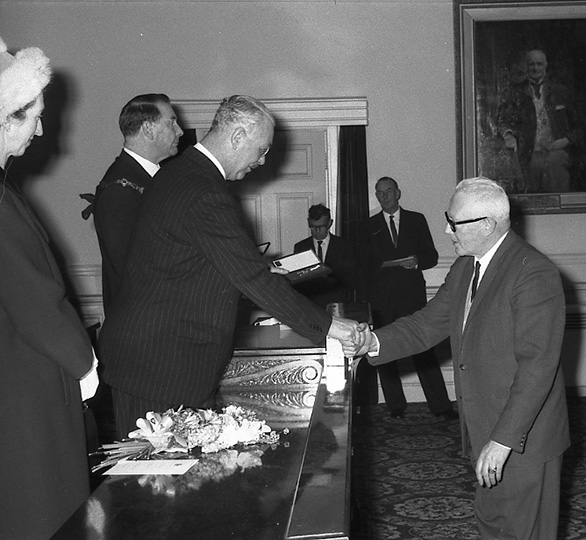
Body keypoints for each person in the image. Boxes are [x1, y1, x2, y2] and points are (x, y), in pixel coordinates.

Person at [98, 95, 363, 436]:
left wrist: (259, 272)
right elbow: (251, 278)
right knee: (159, 467)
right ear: (237, 137)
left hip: (161, 359)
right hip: (159, 364)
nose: (263, 160)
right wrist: (332, 328)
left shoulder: (181, 172)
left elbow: (198, 263)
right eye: (261, 150)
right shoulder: (202, 190)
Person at [357, 177, 569, 539]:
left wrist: (502, 441)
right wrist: (372, 342)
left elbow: (538, 367)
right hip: (484, 428)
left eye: (453, 222)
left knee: (523, 533)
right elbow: (427, 324)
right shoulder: (466, 267)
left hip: (523, 439)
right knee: (492, 525)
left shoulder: (532, 272)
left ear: (487, 225)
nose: (446, 230)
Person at [0, 36, 99, 540]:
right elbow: (35, 301)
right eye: (33, 118)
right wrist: (84, 363)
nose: (40, 130)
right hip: (25, 384)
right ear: (4, 120)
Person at [361, 176, 457, 420]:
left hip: (411, 295)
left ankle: (441, 406)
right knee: (385, 349)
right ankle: (395, 406)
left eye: (388, 191)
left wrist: (416, 262)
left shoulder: (416, 220)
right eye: (379, 192)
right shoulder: (368, 225)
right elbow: (363, 264)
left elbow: (431, 257)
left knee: (424, 349)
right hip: (381, 298)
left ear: (398, 193)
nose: (384, 196)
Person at [92, 93, 184, 314]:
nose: (180, 131)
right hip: (144, 321)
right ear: (149, 129)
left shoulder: (157, 179)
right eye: (171, 122)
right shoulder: (119, 190)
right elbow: (134, 271)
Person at [496, 48, 585, 194]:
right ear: (526, 67)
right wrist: (508, 135)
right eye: (531, 64)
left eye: (539, 64)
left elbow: (580, 127)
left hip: (556, 152)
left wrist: (567, 140)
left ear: (545, 66)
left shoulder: (560, 92)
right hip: (528, 153)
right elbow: (503, 120)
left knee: (556, 164)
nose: (535, 68)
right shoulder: (515, 92)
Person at [292, 203, 357, 307]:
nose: (317, 231)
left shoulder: (344, 246)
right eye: (313, 227)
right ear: (308, 222)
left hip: (336, 303)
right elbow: (297, 281)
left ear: (329, 223)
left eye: (321, 226)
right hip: (309, 304)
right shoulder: (300, 247)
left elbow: (351, 278)